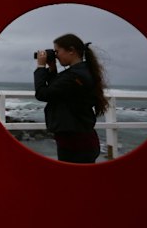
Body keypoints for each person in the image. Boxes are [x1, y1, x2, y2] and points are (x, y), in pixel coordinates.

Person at [34, 33, 108, 163]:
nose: (56, 55)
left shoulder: (74, 76)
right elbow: (56, 91)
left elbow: (43, 94)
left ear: (71, 51)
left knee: (74, 181)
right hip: (78, 140)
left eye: (57, 51)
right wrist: (52, 67)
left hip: (76, 143)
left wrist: (40, 67)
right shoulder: (79, 72)